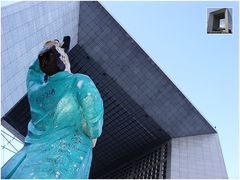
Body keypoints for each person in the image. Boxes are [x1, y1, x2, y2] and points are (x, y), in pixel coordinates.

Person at [1, 37, 104, 179]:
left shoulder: (36, 91)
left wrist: (48, 50)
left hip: (27, 163)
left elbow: (33, 72)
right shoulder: (78, 81)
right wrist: (93, 133)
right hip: (61, 160)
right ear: (63, 57)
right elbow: (94, 114)